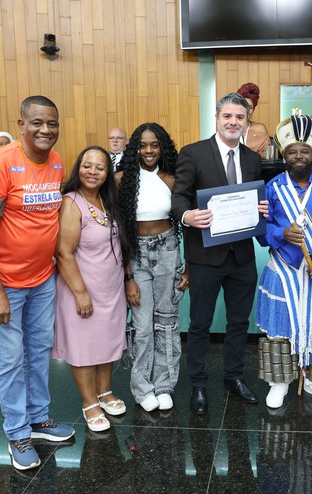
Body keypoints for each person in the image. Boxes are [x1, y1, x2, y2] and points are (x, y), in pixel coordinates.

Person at [0, 95, 75, 471]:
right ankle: (17, 434)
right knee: (10, 359)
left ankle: (38, 420)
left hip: (41, 279)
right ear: (21, 125)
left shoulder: (56, 162)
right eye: (38, 123)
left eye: (52, 123)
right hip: (2, 284)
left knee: (39, 350)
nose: (46, 130)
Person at [171, 92, 268, 415]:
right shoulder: (193, 153)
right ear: (217, 118)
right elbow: (179, 197)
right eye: (227, 116)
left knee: (239, 322)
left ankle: (234, 377)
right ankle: (198, 383)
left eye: (240, 117)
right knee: (200, 323)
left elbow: (253, 202)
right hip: (205, 257)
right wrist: (187, 216)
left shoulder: (252, 159)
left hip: (241, 257)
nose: (233, 122)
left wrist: (261, 210)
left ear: (246, 122)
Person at [255, 111, 312, 409]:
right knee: (280, 329)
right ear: (284, 155)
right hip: (283, 270)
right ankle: (279, 382)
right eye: (292, 152)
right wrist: (281, 233)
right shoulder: (272, 189)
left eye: (304, 151)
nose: (298, 156)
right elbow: (261, 230)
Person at [54, 146, 131, 433]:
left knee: (106, 342)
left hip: (111, 290)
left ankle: (104, 392)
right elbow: (63, 253)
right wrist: (80, 293)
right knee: (84, 348)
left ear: (107, 173)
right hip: (82, 290)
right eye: (87, 166)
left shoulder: (106, 200)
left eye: (100, 167)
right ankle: (89, 403)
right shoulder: (71, 202)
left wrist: (127, 279)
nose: (93, 172)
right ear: (78, 168)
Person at [116, 123, 189, 412]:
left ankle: (164, 385)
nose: (148, 150)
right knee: (142, 325)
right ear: (134, 148)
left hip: (168, 250)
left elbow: (187, 222)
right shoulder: (121, 180)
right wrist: (128, 276)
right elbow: (118, 231)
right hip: (136, 254)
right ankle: (142, 387)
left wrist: (188, 267)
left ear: (163, 148)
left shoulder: (171, 179)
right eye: (143, 145)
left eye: (154, 145)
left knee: (168, 320)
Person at [237, 82, 272, 156]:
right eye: (243, 106)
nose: (246, 111)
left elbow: (268, 157)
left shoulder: (260, 129)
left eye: (250, 107)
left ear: (253, 109)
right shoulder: (229, 128)